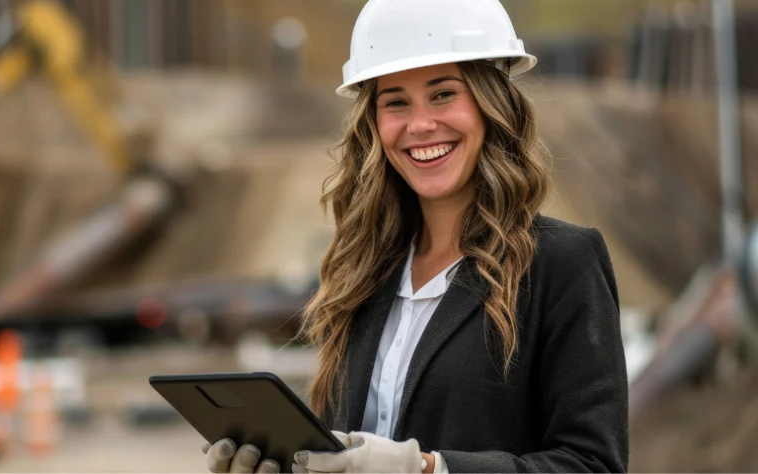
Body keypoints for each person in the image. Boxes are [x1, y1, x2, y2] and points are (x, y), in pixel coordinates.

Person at [202, 0, 630, 472]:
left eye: (444, 93)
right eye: (396, 102)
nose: (420, 124)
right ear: (374, 122)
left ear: (491, 104)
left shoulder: (561, 263)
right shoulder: (363, 273)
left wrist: (427, 468)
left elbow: (593, 464)